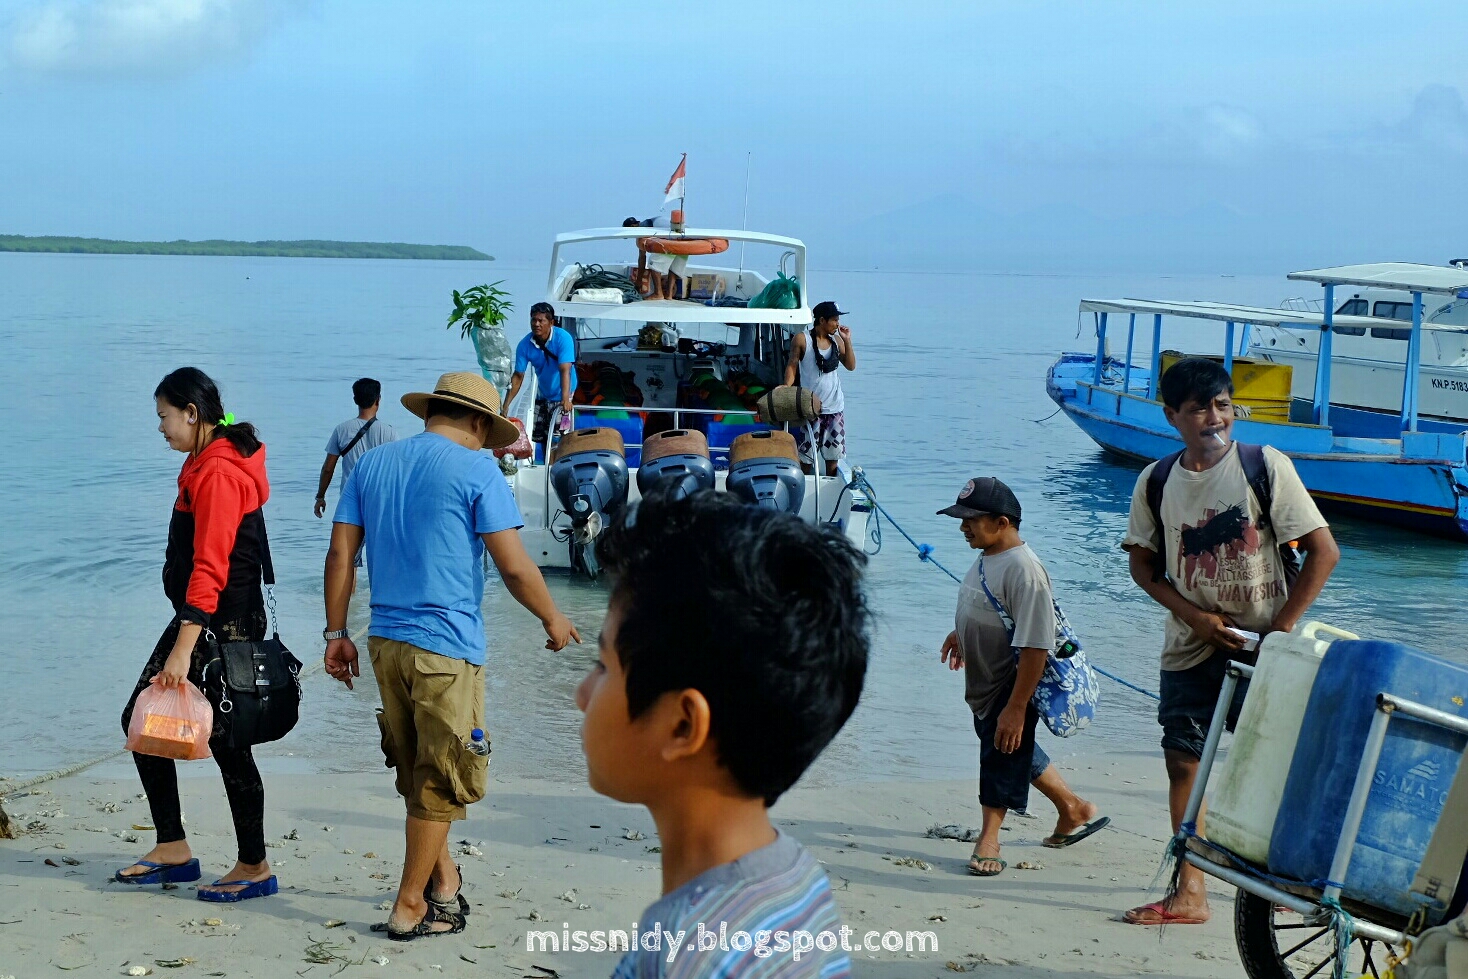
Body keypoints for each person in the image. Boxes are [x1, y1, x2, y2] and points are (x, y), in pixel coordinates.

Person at [322, 371, 580, 941]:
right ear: (480, 423)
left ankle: (444, 882)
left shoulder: (372, 464)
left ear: (431, 412)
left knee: (418, 770)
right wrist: (553, 617)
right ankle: (410, 904)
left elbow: (341, 553)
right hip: (445, 649)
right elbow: (514, 566)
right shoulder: (477, 469)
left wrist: (334, 632)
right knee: (440, 779)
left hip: (384, 641)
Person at [576, 489, 867, 977]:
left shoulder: (689, 958)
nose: (582, 695)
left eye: (602, 666)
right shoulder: (795, 877)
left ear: (683, 725)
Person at [1120, 358, 1339, 925]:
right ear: (1172, 416)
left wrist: (1281, 631)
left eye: (1223, 405)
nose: (1214, 419)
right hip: (1192, 649)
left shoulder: (1265, 466)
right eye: (1198, 409)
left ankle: (1303, 881)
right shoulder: (1156, 481)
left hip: (1265, 650)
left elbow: (1323, 552)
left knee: (1281, 767)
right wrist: (1193, 616)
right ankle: (1190, 891)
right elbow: (1144, 569)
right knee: (1183, 765)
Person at [115, 367, 278, 902]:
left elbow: (210, 565)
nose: (160, 427)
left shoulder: (219, 472)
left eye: (164, 416)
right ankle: (174, 848)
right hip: (211, 617)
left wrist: (184, 649)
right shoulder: (206, 459)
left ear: (192, 412)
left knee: (215, 738)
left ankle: (251, 864)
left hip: (218, 621)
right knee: (159, 725)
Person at [937, 477, 1109, 877]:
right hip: (985, 677)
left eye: (971, 520)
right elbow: (985, 602)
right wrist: (959, 633)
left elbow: (1035, 646)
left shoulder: (1024, 570)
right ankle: (1072, 808)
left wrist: (1016, 706)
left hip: (1010, 680)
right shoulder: (989, 555)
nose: (963, 527)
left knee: (999, 753)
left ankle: (990, 839)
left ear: (1002, 522)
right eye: (960, 519)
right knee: (1007, 744)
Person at [314, 378, 399, 588]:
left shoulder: (342, 430)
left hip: (350, 502)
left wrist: (320, 496)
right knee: (381, 557)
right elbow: (396, 470)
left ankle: (348, 606)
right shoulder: (389, 432)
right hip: (379, 501)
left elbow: (328, 467)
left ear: (355, 400)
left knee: (347, 558)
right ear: (378, 400)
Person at [784, 300, 856, 477]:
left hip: (835, 409)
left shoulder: (837, 341)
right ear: (822, 320)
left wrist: (847, 341)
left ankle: (831, 490)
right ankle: (803, 487)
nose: (838, 324)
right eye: (834, 320)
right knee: (806, 457)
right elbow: (792, 365)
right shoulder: (802, 339)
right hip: (811, 409)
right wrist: (786, 388)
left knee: (833, 457)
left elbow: (851, 365)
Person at [502, 302, 578, 450]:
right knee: (540, 435)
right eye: (533, 320)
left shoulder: (563, 338)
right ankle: (546, 465)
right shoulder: (525, 345)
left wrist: (565, 399)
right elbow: (518, 376)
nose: (536, 324)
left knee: (560, 433)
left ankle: (559, 464)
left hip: (564, 389)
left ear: (551, 323)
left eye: (541, 320)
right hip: (543, 391)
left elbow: (565, 370)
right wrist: (506, 405)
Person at [623, 216, 683, 299]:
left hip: (672, 240)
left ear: (633, 227)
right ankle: (669, 295)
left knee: (653, 263)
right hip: (686, 240)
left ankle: (658, 294)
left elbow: (642, 257)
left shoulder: (642, 228)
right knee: (673, 267)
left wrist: (639, 280)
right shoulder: (652, 223)